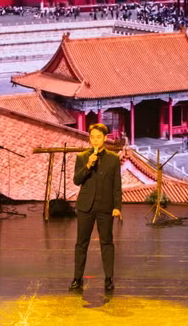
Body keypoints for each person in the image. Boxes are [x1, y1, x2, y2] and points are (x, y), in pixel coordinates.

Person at [70, 123, 122, 293]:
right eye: (92, 137)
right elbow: (77, 180)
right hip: (86, 207)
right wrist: (88, 166)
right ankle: (77, 279)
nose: (95, 140)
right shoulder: (83, 157)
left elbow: (117, 185)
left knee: (106, 243)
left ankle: (108, 279)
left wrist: (117, 206)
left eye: (98, 137)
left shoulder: (113, 159)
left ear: (105, 138)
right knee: (81, 244)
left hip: (105, 208)